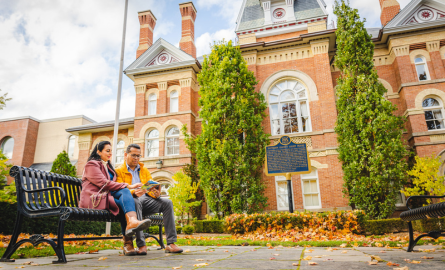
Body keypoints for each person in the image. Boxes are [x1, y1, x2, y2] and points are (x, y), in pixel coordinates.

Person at [79, 141, 151, 256]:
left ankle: (130, 230)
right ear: (98, 151)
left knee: (124, 201)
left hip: (106, 197)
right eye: (107, 151)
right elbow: (104, 183)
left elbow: (112, 186)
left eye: (111, 151)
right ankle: (128, 240)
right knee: (125, 195)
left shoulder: (108, 166)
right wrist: (129, 185)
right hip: (93, 199)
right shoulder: (92, 165)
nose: (110, 153)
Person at [116, 143, 183, 254]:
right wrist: (133, 192)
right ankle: (141, 245)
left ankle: (171, 243)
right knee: (136, 201)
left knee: (167, 202)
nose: (136, 158)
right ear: (125, 154)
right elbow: (119, 188)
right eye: (133, 155)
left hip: (146, 199)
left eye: (138, 156)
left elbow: (150, 186)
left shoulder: (144, 169)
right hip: (131, 201)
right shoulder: (118, 171)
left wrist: (155, 193)